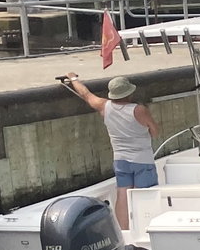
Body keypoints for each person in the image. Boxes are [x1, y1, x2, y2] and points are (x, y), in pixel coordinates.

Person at [62, 72, 158, 231]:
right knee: (145, 195)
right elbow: (155, 131)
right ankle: (146, 230)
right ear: (129, 93)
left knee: (122, 195)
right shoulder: (139, 110)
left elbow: (86, 94)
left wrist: (73, 79)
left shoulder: (104, 106)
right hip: (142, 160)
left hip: (120, 160)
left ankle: (125, 232)